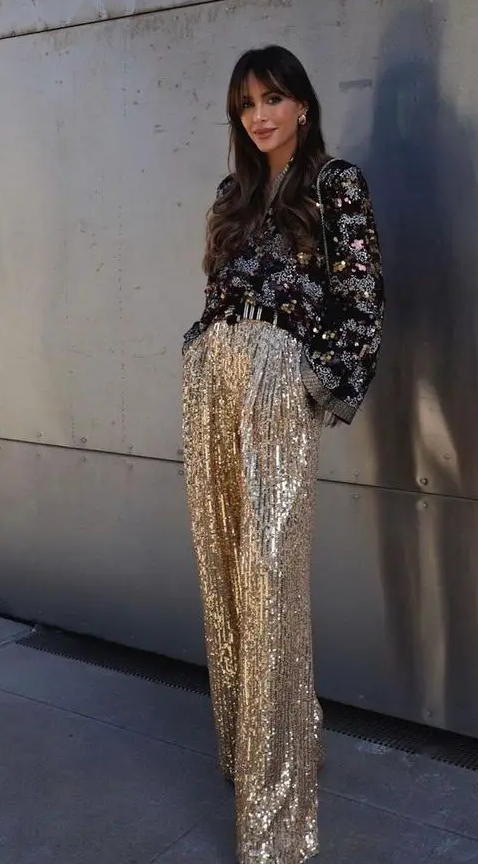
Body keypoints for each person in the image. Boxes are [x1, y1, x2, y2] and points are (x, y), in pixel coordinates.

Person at [182, 45, 384, 863]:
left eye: (272, 98)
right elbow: (217, 293)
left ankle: (278, 811)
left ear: (302, 102)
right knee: (224, 569)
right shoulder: (233, 194)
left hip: (275, 386)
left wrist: (312, 379)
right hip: (212, 387)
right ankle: (250, 751)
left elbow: (361, 297)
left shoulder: (335, 184)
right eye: (246, 103)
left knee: (270, 580)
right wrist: (199, 348)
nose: (259, 115)